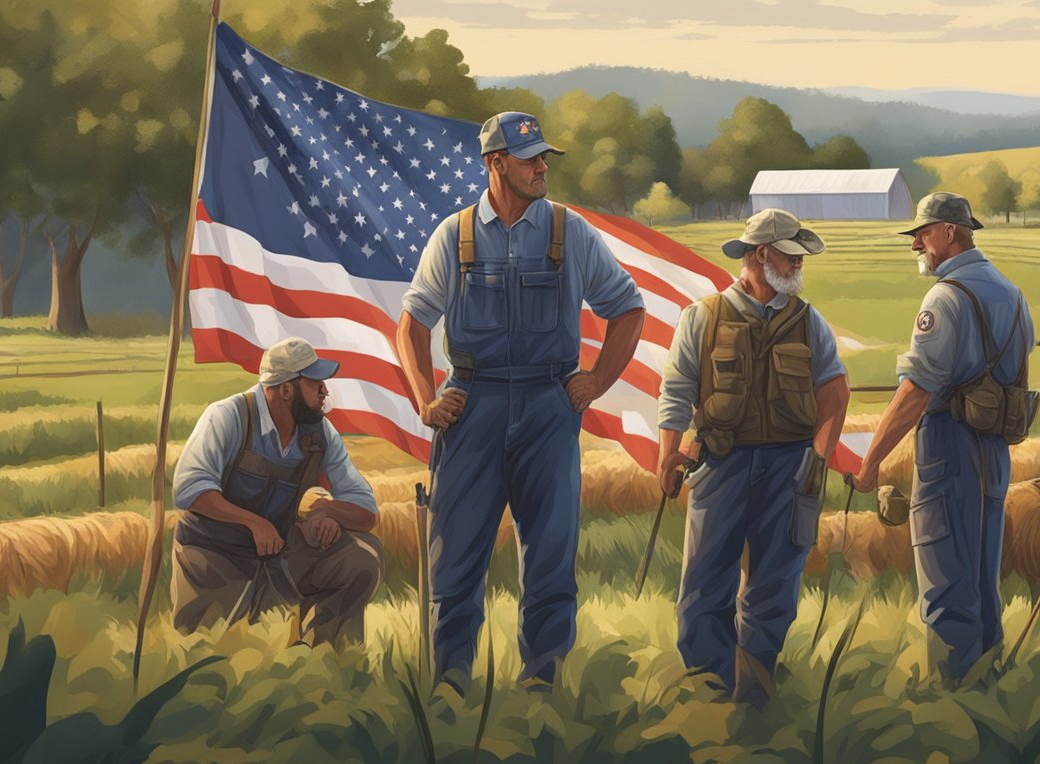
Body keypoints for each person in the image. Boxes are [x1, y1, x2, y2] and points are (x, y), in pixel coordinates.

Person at [395, 111, 645, 693]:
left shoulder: (570, 231)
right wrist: (427, 401)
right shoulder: (452, 234)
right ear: (494, 163)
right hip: (471, 408)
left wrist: (597, 382)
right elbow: (411, 325)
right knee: (454, 558)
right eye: (529, 158)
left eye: (543, 158)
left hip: (547, 408)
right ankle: (450, 683)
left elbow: (627, 310)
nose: (541, 168)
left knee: (551, 556)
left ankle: (543, 681)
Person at [656, 208, 849, 707]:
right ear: (762, 255)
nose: (798, 264)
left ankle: (755, 694)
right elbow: (675, 391)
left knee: (776, 585)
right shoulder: (702, 317)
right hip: (720, 465)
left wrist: (819, 460)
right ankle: (709, 692)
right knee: (704, 585)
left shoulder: (809, 321)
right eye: (791, 255)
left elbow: (834, 389)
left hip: (790, 468)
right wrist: (667, 454)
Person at [846, 192, 1034, 685]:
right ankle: (989, 691)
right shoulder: (1013, 294)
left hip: (948, 450)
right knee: (981, 581)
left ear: (950, 232)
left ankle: (956, 704)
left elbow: (915, 392)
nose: (916, 246)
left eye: (922, 234)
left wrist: (870, 462)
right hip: (994, 454)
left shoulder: (944, 297)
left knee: (946, 584)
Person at [171, 337, 383, 648]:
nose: (325, 391)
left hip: (278, 551)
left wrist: (330, 513)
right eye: (315, 384)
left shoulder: (319, 433)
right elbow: (190, 488)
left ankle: (328, 656)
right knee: (216, 653)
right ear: (286, 390)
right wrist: (253, 523)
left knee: (362, 556)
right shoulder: (228, 417)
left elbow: (366, 509)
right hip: (214, 554)